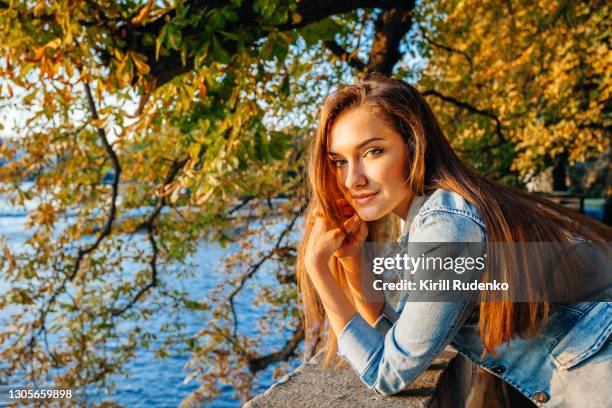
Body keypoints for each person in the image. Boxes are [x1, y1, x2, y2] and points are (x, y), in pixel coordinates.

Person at [295, 75, 612, 407]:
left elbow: (387, 372)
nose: (352, 179)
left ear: (414, 146)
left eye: (373, 152)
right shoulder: (436, 214)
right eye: (339, 161)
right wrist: (352, 261)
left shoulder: (447, 228)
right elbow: (403, 336)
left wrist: (317, 268)